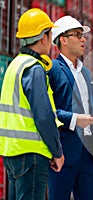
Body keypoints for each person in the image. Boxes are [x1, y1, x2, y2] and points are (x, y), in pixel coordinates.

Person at [0, 8, 64, 199]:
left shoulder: (14, 65)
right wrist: (57, 151)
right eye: (50, 34)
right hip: (32, 155)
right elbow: (43, 115)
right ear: (44, 37)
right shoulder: (33, 69)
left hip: (11, 152)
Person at [47, 16, 93, 200]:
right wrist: (76, 119)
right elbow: (47, 112)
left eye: (83, 35)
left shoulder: (86, 73)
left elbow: (86, 111)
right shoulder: (52, 69)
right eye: (77, 35)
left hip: (89, 154)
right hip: (63, 153)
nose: (83, 39)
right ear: (63, 39)